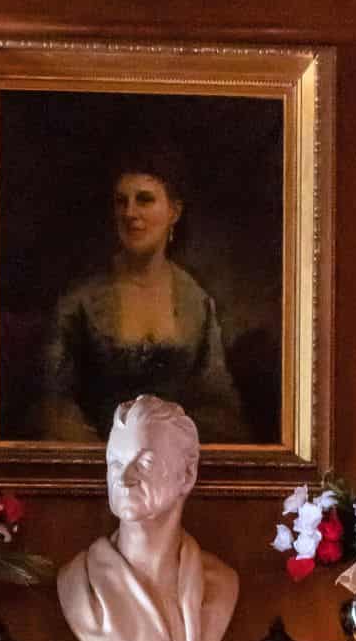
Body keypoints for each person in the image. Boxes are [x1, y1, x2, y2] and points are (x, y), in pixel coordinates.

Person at [35, 143, 249, 444]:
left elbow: (217, 399)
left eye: (144, 200)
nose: (130, 213)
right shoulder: (80, 302)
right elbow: (55, 401)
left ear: (174, 211)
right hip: (99, 467)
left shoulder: (195, 301)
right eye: (121, 202)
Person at [57, 395, 239, 641]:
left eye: (144, 463)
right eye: (116, 463)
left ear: (187, 474)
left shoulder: (220, 585)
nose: (124, 478)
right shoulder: (79, 583)